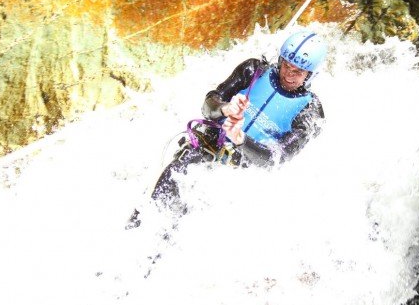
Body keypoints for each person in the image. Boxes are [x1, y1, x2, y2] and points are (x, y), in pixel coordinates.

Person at [127, 30, 328, 226]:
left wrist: (241, 140)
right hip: (208, 149)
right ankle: (139, 228)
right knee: (177, 171)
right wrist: (225, 108)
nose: (288, 75)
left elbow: (277, 158)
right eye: (286, 65)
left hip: (240, 177)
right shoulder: (253, 71)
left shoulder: (309, 111)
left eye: (298, 72)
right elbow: (208, 106)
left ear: (310, 75)